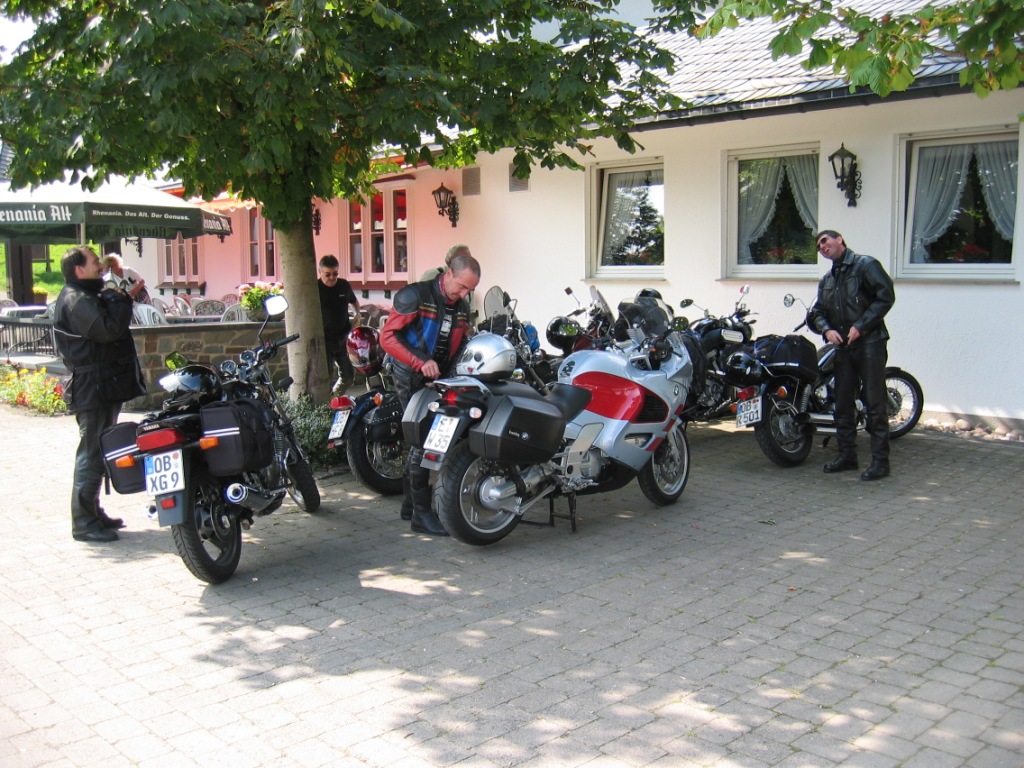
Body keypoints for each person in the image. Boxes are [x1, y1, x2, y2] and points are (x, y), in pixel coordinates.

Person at [381, 252, 481, 536]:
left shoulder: (460, 306)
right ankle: (421, 514)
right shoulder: (415, 295)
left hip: (437, 377)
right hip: (409, 375)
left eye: (470, 289)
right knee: (423, 439)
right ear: (448, 274)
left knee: (426, 437)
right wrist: (420, 362)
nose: (464, 294)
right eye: (462, 286)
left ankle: (410, 506)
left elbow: (458, 343)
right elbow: (387, 337)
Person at [54, 246, 147, 542]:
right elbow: (107, 330)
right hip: (91, 387)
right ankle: (84, 522)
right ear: (79, 269)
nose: (100, 266)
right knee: (91, 453)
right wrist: (120, 298)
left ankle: (92, 512)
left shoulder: (84, 295)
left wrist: (114, 296)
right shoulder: (76, 299)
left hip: (99, 385)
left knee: (98, 451)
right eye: (95, 262)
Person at [808, 230, 896, 481]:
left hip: (870, 343)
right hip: (842, 348)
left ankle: (880, 462)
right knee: (843, 403)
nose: (822, 247)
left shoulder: (865, 265)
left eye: (825, 241)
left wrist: (861, 326)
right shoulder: (827, 279)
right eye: (819, 246)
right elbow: (817, 312)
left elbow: (885, 296)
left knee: (874, 402)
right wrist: (827, 330)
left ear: (839, 240)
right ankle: (847, 456)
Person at [316, 254, 360, 393]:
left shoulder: (344, 285)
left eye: (335, 273)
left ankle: (334, 398)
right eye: (327, 274)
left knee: (348, 376)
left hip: (343, 337)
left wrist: (357, 314)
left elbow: (354, 302)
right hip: (324, 340)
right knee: (326, 378)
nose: (332, 277)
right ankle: (327, 403)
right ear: (320, 272)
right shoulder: (315, 288)